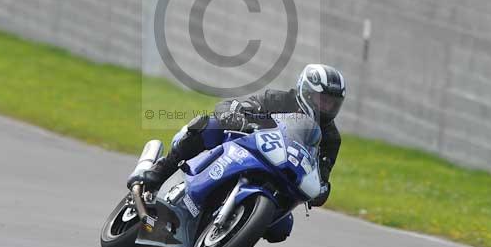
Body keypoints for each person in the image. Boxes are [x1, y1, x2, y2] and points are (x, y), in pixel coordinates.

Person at [142, 64, 346, 212]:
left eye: (333, 104)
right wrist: (237, 117)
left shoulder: (331, 138)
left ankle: (243, 223)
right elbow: (231, 106)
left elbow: (322, 175)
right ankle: (161, 170)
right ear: (307, 92)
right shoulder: (278, 100)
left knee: (281, 229)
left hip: (283, 176)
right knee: (209, 125)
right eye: (324, 101)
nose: (328, 108)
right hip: (250, 151)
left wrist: (322, 190)